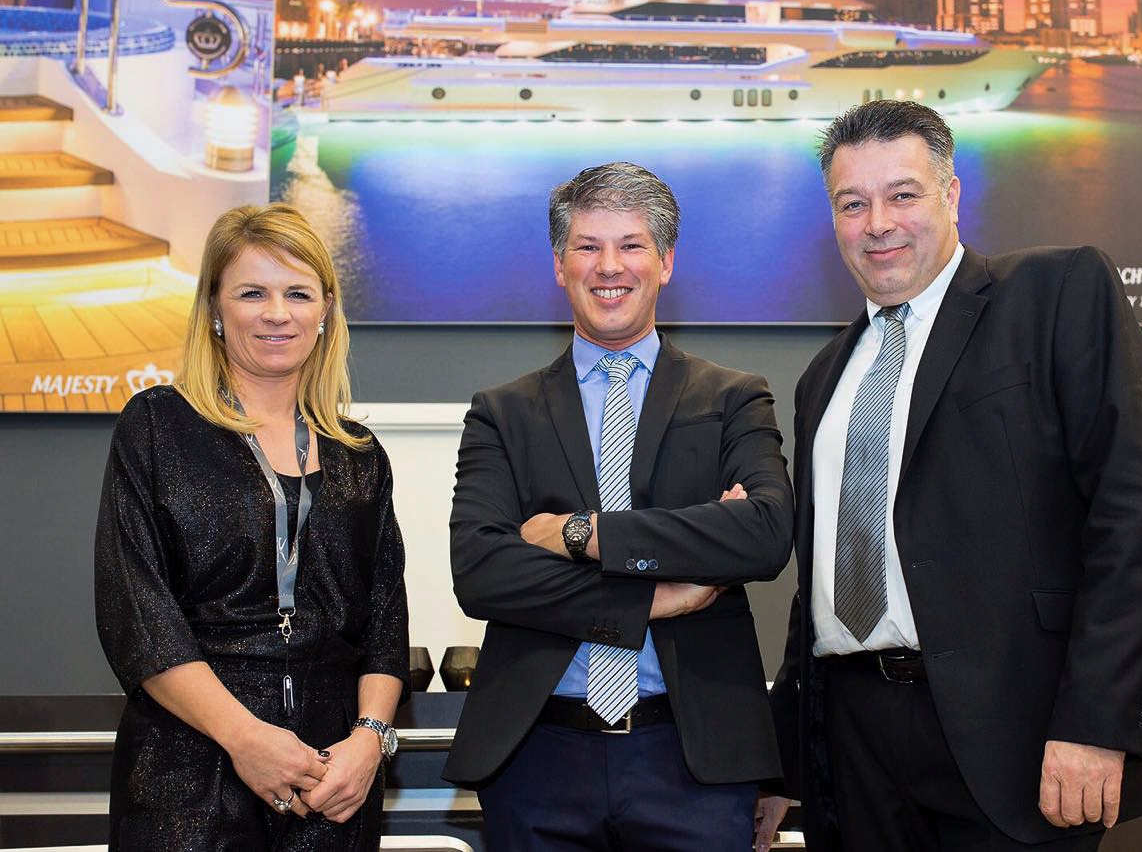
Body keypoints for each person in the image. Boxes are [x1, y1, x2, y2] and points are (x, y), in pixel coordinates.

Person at [755, 100, 1142, 851]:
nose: (877, 223)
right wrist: (784, 761)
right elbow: (825, 575)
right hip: (852, 752)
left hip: (1018, 742)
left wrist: (1097, 722)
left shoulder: (1056, 293)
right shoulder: (823, 378)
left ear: (951, 196)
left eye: (902, 194)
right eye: (852, 204)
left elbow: (1139, 513)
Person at [444, 161, 794, 850]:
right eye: (588, 246)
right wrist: (657, 596)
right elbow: (481, 571)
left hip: (695, 760)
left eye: (632, 245)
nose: (610, 266)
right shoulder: (502, 413)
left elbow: (762, 535)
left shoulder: (733, 398)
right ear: (559, 265)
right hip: (536, 758)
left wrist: (579, 533)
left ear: (666, 262)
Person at [95, 203, 409, 851]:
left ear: (325, 311)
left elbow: (385, 621)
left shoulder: (361, 457)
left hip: (332, 784)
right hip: (188, 775)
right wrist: (245, 738)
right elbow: (138, 614)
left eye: (298, 293)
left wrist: (370, 742)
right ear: (215, 307)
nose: (276, 313)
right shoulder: (156, 427)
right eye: (252, 293)